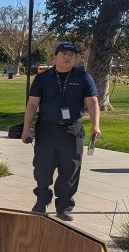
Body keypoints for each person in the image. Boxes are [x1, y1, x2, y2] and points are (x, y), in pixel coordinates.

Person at [21, 42, 101, 221]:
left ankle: (64, 206)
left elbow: (92, 103)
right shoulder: (42, 78)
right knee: (42, 168)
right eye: (63, 53)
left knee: (70, 169)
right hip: (46, 128)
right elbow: (32, 104)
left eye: (71, 54)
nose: (67, 57)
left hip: (72, 129)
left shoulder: (83, 78)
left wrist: (96, 125)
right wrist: (26, 128)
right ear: (54, 57)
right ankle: (42, 200)